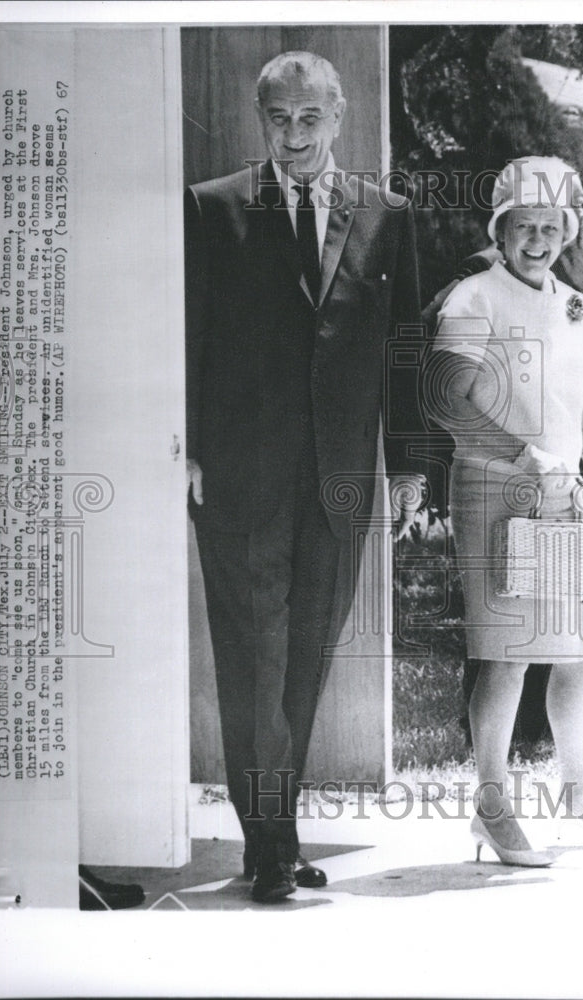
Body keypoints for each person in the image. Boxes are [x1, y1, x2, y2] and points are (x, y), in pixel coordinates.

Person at [184, 51, 424, 902]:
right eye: (278, 119)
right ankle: (273, 846)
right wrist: (188, 450)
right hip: (240, 478)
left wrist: (410, 470)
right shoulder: (212, 209)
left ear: (340, 116)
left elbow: (403, 350)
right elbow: (189, 334)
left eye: (309, 119)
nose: (293, 136)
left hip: (341, 478)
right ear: (261, 120)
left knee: (305, 658)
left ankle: (271, 832)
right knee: (252, 657)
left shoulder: (387, 215)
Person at [427, 156, 583, 866]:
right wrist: (522, 455)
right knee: (505, 660)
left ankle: (579, 792)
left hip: (564, 496)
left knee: (577, 656)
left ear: (565, 233)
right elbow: (446, 401)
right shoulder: (472, 299)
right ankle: (492, 807)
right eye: (522, 226)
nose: (536, 239)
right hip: (492, 493)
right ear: (500, 230)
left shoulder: (575, 305)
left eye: (549, 226)